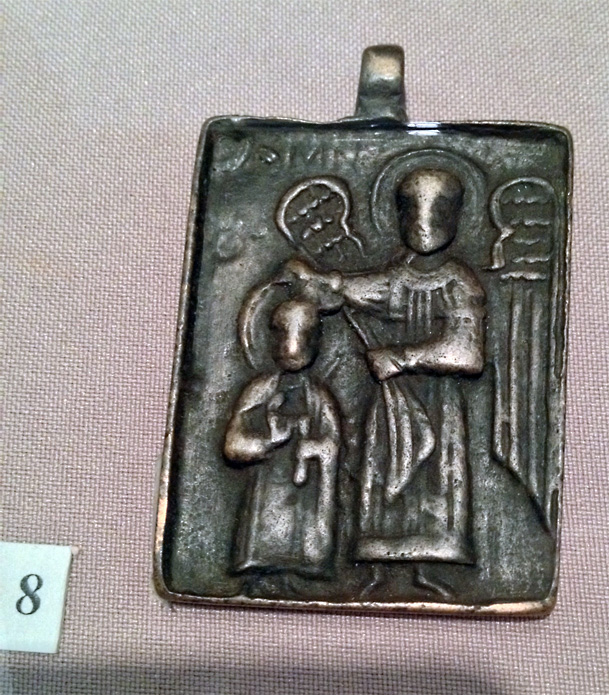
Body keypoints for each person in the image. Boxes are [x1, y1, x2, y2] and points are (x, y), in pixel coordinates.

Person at [283, 168, 486, 597]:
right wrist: (320, 281)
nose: (424, 223)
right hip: (390, 401)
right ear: (400, 217)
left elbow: (466, 352)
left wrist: (402, 356)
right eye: (413, 210)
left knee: (434, 477)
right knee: (380, 471)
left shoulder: (459, 282)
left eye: (435, 211)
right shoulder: (398, 275)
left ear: (453, 217)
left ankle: (428, 570)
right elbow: (353, 289)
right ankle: (375, 569)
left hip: (436, 401)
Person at [224, 299, 341, 583]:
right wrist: (267, 441)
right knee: (262, 564)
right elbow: (233, 444)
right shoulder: (259, 391)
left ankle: (304, 568)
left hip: (306, 501)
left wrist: (314, 447)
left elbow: (333, 443)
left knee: (302, 562)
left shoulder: (320, 398)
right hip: (266, 498)